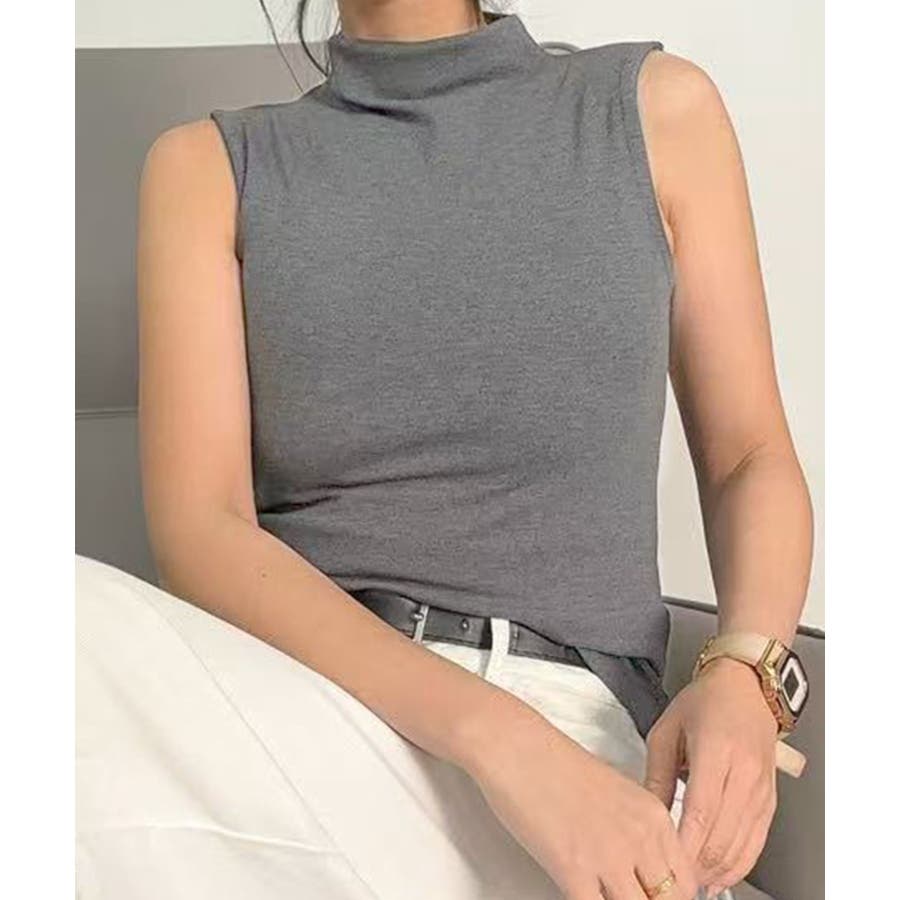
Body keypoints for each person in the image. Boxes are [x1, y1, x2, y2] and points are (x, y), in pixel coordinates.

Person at [75, 3, 814, 899]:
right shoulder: (209, 169)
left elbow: (748, 456)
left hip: (585, 746)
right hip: (307, 713)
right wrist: (504, 745)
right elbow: (202, 532)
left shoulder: (656, 112)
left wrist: (747, 672)